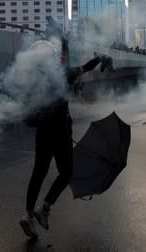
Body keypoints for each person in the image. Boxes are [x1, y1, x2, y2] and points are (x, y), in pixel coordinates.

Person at [19, 35, 113, 238]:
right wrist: (98, 59)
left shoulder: (34, 79)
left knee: (39, 173)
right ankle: (44, 208)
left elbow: (26, 108)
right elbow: (84, 68)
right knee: (66, 173)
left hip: (43, 132)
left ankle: (27, 215)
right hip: (60, 131)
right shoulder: (61, 75)